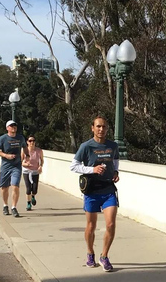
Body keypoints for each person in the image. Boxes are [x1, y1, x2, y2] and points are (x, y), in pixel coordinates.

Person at [69, 116, 119, 272]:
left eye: (104, 127)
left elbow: (115, 160)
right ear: (92, 128)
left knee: (110, 224)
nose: (101, 129)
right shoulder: (86, 146)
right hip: (91, 191)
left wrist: (115, 172)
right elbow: (74, 166)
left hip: (108, 189)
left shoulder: (113, 146)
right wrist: (92, 170)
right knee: (91, 225)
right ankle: (90, 252)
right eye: (98, 126)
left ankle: (104, 256)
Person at [0, 120, 30, 218]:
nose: (13, 127)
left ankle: (14, 207)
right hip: (6, 166)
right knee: (4, 187)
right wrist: (5, 155)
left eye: (15, 125)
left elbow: (25, 147)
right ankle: (5, 205)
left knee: (15, 186)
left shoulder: (20, 138)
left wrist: (27, 155)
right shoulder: (3, 138)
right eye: (11, 126)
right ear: (7, 128)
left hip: (16, 166)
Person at [21, 135, 44, 211]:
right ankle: (28, 203)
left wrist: (40, 166)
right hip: (26, 171)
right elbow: (20, 161)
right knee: (28, 188)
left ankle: (33, 196)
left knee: (34, 189)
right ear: (27, 142)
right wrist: (25, 164)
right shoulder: (24, 150)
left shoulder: (39, 151)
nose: (32, 142)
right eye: (30, 141)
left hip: (35, 171)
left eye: (33, 141)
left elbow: (42, 160)